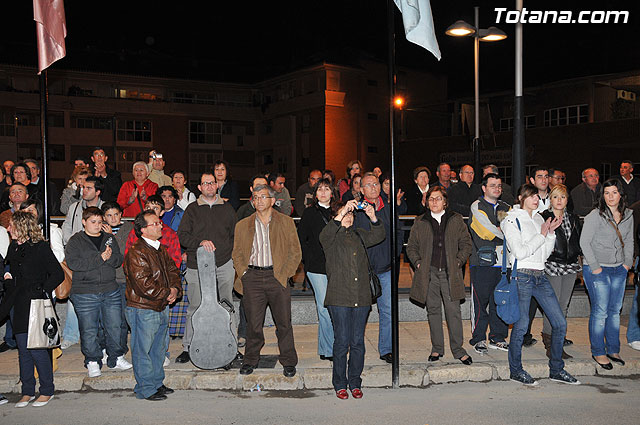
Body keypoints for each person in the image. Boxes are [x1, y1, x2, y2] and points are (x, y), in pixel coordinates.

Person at [502, 184, 579, 386]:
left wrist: (550, 234)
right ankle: (516, 370)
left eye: (537, 195)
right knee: (521, 326)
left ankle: (556, 369)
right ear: (521, 197)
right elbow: (519, 252)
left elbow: (544, 254)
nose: (536, 199)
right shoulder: (511, 219)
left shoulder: (538, 218)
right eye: (530, 195)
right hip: (522, 275)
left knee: (560, 322)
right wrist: (542, 235)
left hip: (540, 274)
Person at [232, 184, 301, 377]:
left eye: (263, 197)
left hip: (277, 276)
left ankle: (288, 360)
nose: (258, 200)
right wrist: (244, 273)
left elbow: (296, 252)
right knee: (253, 324)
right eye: (255, 197)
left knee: (284, 322)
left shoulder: (286, 222)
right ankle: (250, 359)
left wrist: (285, 274)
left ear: (272, 200)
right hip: (252, 277)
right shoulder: (242, 225)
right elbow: (236, 253)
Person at [319, 199, 385, 399]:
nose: (348, 216)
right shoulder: (331, 236)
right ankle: (339, 383)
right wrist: (343, 210)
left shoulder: (359, 235)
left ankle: (355, 382)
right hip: (339, 297)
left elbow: (379, 234)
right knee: (342, 341)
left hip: (361, 296)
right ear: (336, 217)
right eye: (344, 213)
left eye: (350, 214)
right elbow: (324, 235)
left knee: (357, 342)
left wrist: (373, 216)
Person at [0, 211, 64, 407]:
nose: (8, 229)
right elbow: (9, 268)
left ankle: (46, 390)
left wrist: (42, 290)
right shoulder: (13, 247)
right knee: (23, 351)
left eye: (12, 226)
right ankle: (27, 391)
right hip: (16, 303)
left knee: (37, 350)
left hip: (35, 304)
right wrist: (7, 276)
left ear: (22, 226)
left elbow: (57, 274)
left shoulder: (40, 247)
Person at [406, 186, 473, 365]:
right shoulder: (420, 221)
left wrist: (458, 261)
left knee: (454, 312)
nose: (434, 202)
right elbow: (411, 247)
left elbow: (467, 244)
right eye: (431, 199)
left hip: (451, 273)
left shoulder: (455, 219)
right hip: (429, 273)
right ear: (426, 202)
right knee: (433, 311)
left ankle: (458, 350)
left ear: (445, 201)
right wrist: (418, 263)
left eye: (438, 198)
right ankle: (437, 349)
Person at [176, 172, 237, 364]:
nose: (209, 186)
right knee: (195, 306)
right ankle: (189, 346)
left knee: (227, 305)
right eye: (205, 183)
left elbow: (235, 236)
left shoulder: (228, 209)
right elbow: (182, 236)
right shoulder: (192, 210)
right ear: (199, 188)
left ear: (217, 186)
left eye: (212, 183)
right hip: (197, 265)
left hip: (224, 263)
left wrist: (231, 257)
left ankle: (232, 346)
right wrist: (200, 242)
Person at [65, 207, 131, 377]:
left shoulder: (109, 238)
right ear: (84, 222)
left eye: (99, 222)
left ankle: (115, 357)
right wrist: (99, 258)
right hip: (85, 292)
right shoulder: (76, 240)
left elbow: (118, 260)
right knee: (89, 329)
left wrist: (108, 258)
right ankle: (93, 360)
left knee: (115, 326)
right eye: (93, 222)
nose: (97, 225)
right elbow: (74, 264)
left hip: (110, 289)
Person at [124, 211, 182, 401]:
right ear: (143, 230)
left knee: (158, 349)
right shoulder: (136, 251)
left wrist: (174, 289)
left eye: (159, 222)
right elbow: (144, 284)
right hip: (143, 308)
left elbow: (173, 270)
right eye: (155, 224)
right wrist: (168, 293)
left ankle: (157, 383)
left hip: (160, 305)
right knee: (143, 350)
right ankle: (146, 388)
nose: (160, 226)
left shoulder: (160, 249)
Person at [580, 178, 634, 370]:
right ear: (602, 196)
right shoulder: (595, 215)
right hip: (597, 269)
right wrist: (595, 267)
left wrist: (627, 264)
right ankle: (598, 351)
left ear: (621, 194)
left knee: (614, 312)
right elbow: (584, 242)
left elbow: (629, 241)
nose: (611, 197)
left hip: (619, 268)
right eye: (607, 193)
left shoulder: (628, 215)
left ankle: (613, 349)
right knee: (601, 311)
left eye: (614, 192)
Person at [353, 172, 401, 364]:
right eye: (369, 185)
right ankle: (355, 348)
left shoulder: (388, 208)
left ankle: (386, 349)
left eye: (376, 184)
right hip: (363, 271)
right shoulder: (356, 211)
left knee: (387, 310)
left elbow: (397, 233)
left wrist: (395, 255)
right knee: (359, 312)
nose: (373, 188)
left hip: (386, 268)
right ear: (362, 189)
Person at [467, 173, 510, 354]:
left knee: (500, 301)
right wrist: (505, 233)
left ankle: (497, 337)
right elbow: (486, 232)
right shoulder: (477, 206)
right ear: (484, 188)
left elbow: (511, 228)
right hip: (482, 263)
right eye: (492, 185)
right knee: (480, 302)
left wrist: (505, 231)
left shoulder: (505, 207)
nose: (497, 189)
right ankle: (478, 338)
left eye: (499, 185)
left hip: (503, 263)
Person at [540, 184, 582, 359]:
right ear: (551, 199)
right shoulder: (544, 217)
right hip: (552, 264)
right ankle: (550, 343)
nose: (559, 201)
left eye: (562, 197)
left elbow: (578, 240)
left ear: (567, 200)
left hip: (571, 265)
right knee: (553, 306)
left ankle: (559, 339)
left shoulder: (573, 218)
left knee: (563, 306)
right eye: (556, 197)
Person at [298, 178, 336, 362]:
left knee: (332, 307)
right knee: (324, 307)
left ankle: (324, 347)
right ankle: (330, 349)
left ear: (332, 192)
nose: (323, 192)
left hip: (336, 266)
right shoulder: (309, 213)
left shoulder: (338, 212)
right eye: (319, 189)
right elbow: (301, 239)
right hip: (316, 267)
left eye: (326, 189)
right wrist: (307, 260)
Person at [101, 201, 134, 359]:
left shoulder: (129, 229)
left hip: (123, 277)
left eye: (116, 214)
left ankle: (121, 348)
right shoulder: (99, 230)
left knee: (122, 317)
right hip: (106, 279)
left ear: (121, 214)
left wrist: (111, 237)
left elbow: (122, 252)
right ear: (104, 217)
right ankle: (110, 348)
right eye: (109, 215)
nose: (113, 218)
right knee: (109, 318)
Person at [62, 176, 105, 243]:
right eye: (84, 187)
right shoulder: (74, 207)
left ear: (97, 192)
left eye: (89, 188)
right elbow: (66, 228)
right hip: (76, 248)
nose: (85, 191)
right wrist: (72, 242)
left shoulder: (105, 209)